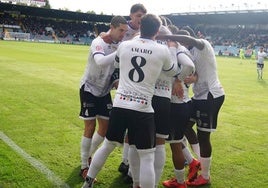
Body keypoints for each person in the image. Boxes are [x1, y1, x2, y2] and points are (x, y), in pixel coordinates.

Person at [82, 14, 180, 188]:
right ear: (157, 31)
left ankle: (87, 183)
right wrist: (172, 47)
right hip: (143, 108)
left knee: (107, 145)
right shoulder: (162, 50)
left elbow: (118, 64)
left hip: (120, 104)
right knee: (147, 156)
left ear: (140, 26)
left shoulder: (124, 45)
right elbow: (172, 71)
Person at [157, 26, 225, 186]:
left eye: (182, 41)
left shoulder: (203, 45)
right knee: (185, 128)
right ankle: (196, 162)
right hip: (198, 97)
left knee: (203, 136)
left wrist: (168, 37)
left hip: (210, 95)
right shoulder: (189, 52)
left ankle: (205, 176)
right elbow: (195, 71)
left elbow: (190, 41)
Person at [78, 15, 128, 179]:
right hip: (89, 88)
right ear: (111, 28)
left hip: (104, 91)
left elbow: (116, 70)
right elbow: (100, 62)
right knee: (90, 127)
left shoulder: (119, 45)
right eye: (121, 30)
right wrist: (120, 52)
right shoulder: (98, 43)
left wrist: (116, 81)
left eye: (125, 31)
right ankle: (84, 166)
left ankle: (89, 154)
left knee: (105, 128)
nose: (123, 34)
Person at [162, 29, 197, 188]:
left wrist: (177, 80)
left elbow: (189, 66)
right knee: (177, 139)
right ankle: (192, 162)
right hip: (183, 103)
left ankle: (180, 182)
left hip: (177, 105)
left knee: (174, 144)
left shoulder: (175, 49)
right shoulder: (178, 49)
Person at [117, 3, 147, 178]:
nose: (140, 19)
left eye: (143, 16)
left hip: (138, 85)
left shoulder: (146, 33)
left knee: (133, 128)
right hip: (125, 83)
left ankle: (126, 163)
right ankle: (128, 165)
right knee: (131, 127)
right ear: (130, 16)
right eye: (137, 16)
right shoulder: (124, 30)